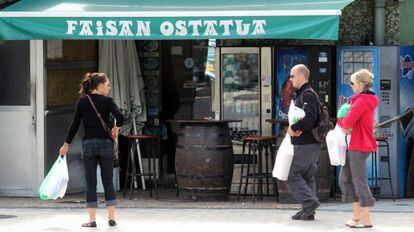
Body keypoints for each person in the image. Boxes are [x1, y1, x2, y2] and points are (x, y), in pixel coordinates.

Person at [59, 72, 124, 228]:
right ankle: (111, 217)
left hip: (88, 145)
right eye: (108, 85)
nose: (109, 87)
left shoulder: (82, 102)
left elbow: (74, 125)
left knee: (90, 184)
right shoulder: (108, 102)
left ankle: (92, 220)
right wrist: (116, 127)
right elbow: (120, 117)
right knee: (108, 181)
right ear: (100, 86)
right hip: (106, 145)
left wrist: (66, 144)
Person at [337, 69, 378, 228]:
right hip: (356, 144)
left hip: (358, 144)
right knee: (345, 179)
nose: (351, 86)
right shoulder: (362, 100)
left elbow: (346, 123)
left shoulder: (361, 101)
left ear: (361, 84)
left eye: (352, 83)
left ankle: (366, 217)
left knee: (359, 181)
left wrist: (341, 120)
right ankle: (356, 215)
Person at [286, 64, 321, 220]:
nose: (290, 79)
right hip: (309, 142)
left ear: (301, 76)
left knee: (290, 174)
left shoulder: (307, 95)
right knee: (307, 176)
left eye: (292, 76)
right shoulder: (303, 94)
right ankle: (308, 211)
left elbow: (310, 118)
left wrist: (294, 127)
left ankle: (310, 202)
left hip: (306, 142)